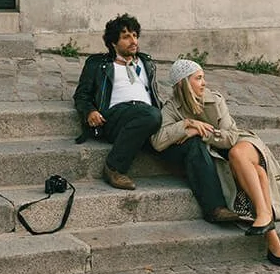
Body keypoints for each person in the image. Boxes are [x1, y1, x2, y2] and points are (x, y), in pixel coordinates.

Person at [72, 14, 238, 224]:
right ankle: (114, 167)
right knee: (149, 113)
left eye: (135, 35)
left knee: (193, 143)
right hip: (115, 118)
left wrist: (180, 127)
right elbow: (81, 95)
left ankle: (215, 208)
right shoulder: (98, 64)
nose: (133, 41)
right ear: (113, 42)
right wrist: (89, 112)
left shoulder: (146, 62)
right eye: (125, 37)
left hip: (149, 122)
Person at [155, 58, 280, 268]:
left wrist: (202, 132)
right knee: (256, 173)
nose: (204, 82)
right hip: (226, 160)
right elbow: (158, 141)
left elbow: (230, 137)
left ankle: (265, 216)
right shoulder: (172, 109)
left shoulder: (216, 100)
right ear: (184, 83)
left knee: (238, 153)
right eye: (198, 78)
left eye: (203, 77)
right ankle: (272, 239)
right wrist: (187, 124)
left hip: (245, 145)